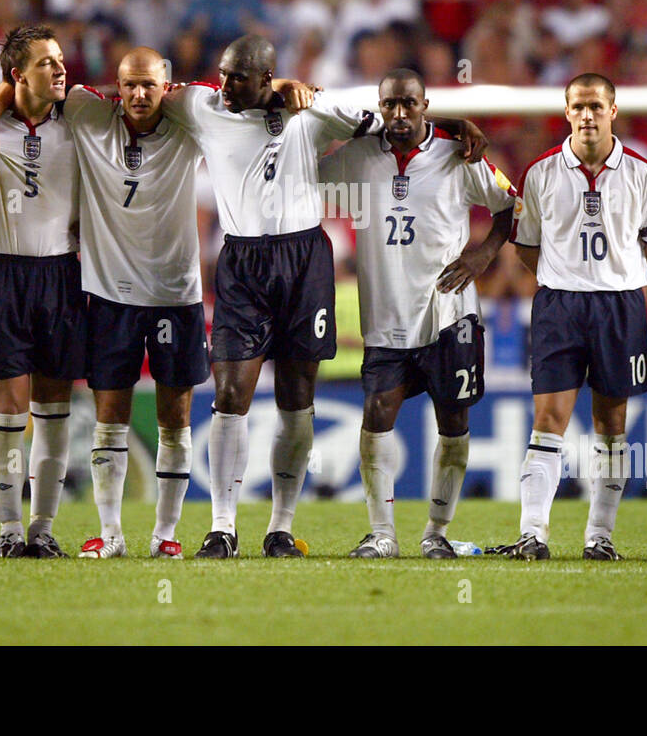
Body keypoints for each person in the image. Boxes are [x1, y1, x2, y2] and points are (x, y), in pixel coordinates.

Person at [159, 34, 486, 558]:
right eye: (221, 73)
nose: (223, 84)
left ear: (265, 79)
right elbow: (148, 91)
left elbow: (394, 119)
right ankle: (222, 527)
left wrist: (450, 126)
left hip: (304, 260)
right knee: (229, 395)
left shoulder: (314, 111)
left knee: (297, 398)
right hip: (242, 261)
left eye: (236, 76)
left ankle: (280, 528)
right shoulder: (204, 106)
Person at [0, 47, 209, 559]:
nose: (140, 94)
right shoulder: (85, 109)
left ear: (167, 88)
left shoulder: (190, 118)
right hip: (108, 295)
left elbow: (240, 97)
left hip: (176, 294)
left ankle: (165, 536)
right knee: (108, 416)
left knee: (176, 418)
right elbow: (15, 88)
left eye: (150, 85)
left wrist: (282, 88)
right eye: (130, 85)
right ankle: (109, 534)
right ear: (116, 88)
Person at [320, 68, 514, 559]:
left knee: (454, 422)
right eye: (390, 106)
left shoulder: (458, 155)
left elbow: (509, 205)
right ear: (380, 107)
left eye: (409, 104)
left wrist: (483, 254)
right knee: (376, 414)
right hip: (386, 314)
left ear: (425, 104)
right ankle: (382, 533)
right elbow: (309, 176)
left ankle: (436, 532)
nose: (399, 115)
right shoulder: (360, 157)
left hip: (450, 313)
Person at [504, 73, 647, 560]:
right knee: (548, 419)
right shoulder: (541, 173)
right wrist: (565, 276)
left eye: (596, 106)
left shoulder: (640, 172)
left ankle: (600, 536)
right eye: (578, 107)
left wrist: (617, 275)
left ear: (613, 111)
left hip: (619, 305)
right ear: (567, 111)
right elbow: (527, 247)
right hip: (559, 305)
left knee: (610, 422)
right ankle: (533, 533)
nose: (587, 115)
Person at [0, 25, 82, 559]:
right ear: (17, 75)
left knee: (54, 408)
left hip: (62, 275)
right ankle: (7, 531)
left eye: (60, 59)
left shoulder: (80, 114)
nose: (60, 69)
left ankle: (42, 528)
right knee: (6, 410)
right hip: (2, 275)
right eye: (46, 62)